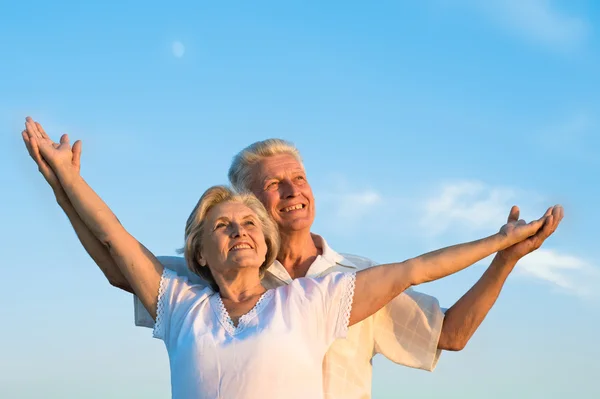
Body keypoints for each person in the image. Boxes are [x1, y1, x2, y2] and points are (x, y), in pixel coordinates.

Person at [22, 117, 563, 399]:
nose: (293, 190)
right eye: (274, 184)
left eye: (299, 177)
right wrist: (63, 186)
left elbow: (447, 327)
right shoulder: (204, 280)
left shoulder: (340, 284)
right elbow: (121, 256)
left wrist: (504, 254)